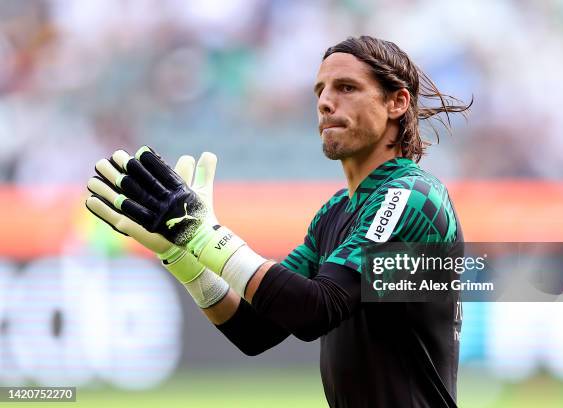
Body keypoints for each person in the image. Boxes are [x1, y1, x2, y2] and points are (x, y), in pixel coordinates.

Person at [86, 35, 471, 408]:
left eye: (347, 88)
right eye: (320, 90)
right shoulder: (336, 211)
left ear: (397, 102)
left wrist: (202, 234)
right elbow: (255, 329)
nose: (325, 102)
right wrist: (186, 258)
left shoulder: (412, 196)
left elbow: (316, 310)